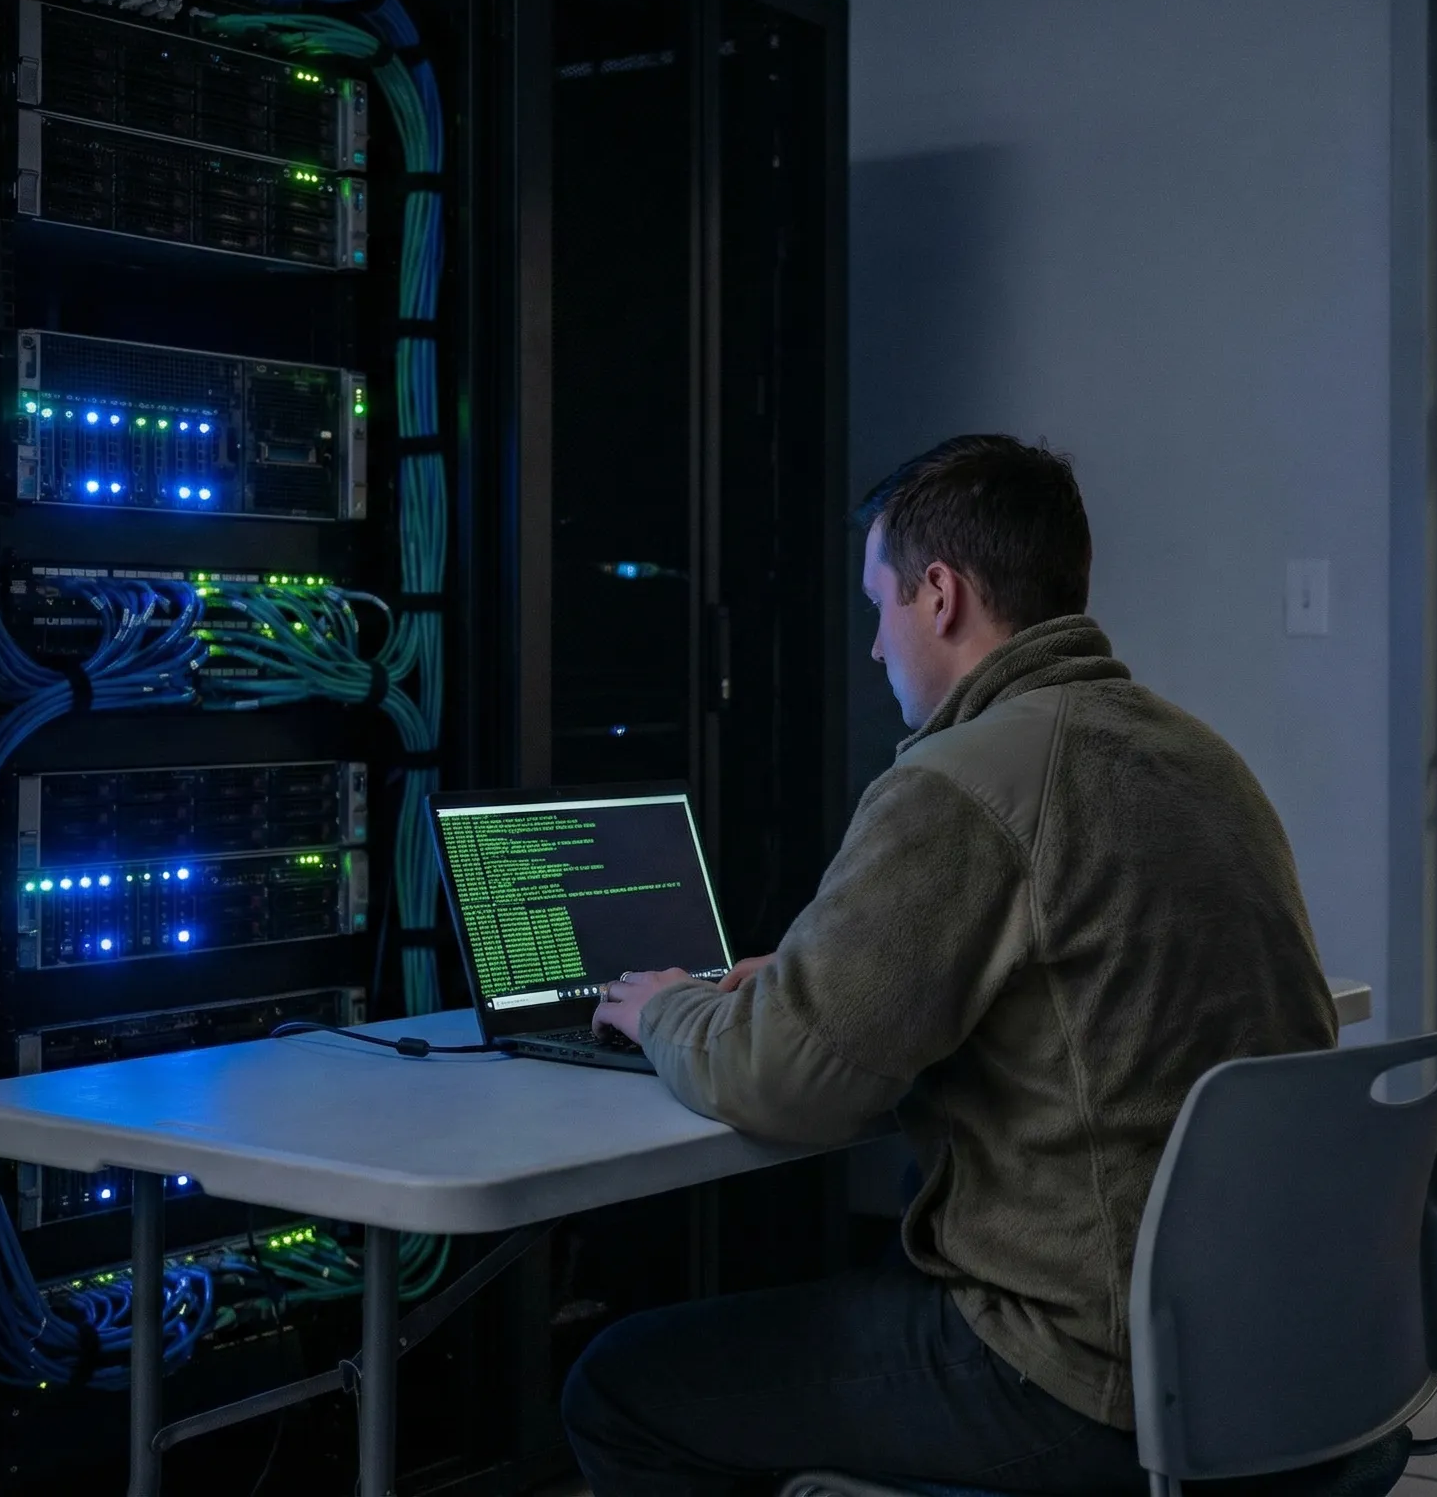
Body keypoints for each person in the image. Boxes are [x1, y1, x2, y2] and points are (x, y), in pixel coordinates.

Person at [570, 434, 1337, 1496]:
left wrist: (664, 1010)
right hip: (1273, 1353)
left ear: (939, 595)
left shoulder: (961, 780)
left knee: (620, 1384)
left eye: (878, 606)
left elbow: (782, 1083)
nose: (875, 647)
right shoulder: (1193, 752)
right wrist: (796, 977)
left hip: (1083, 1372)